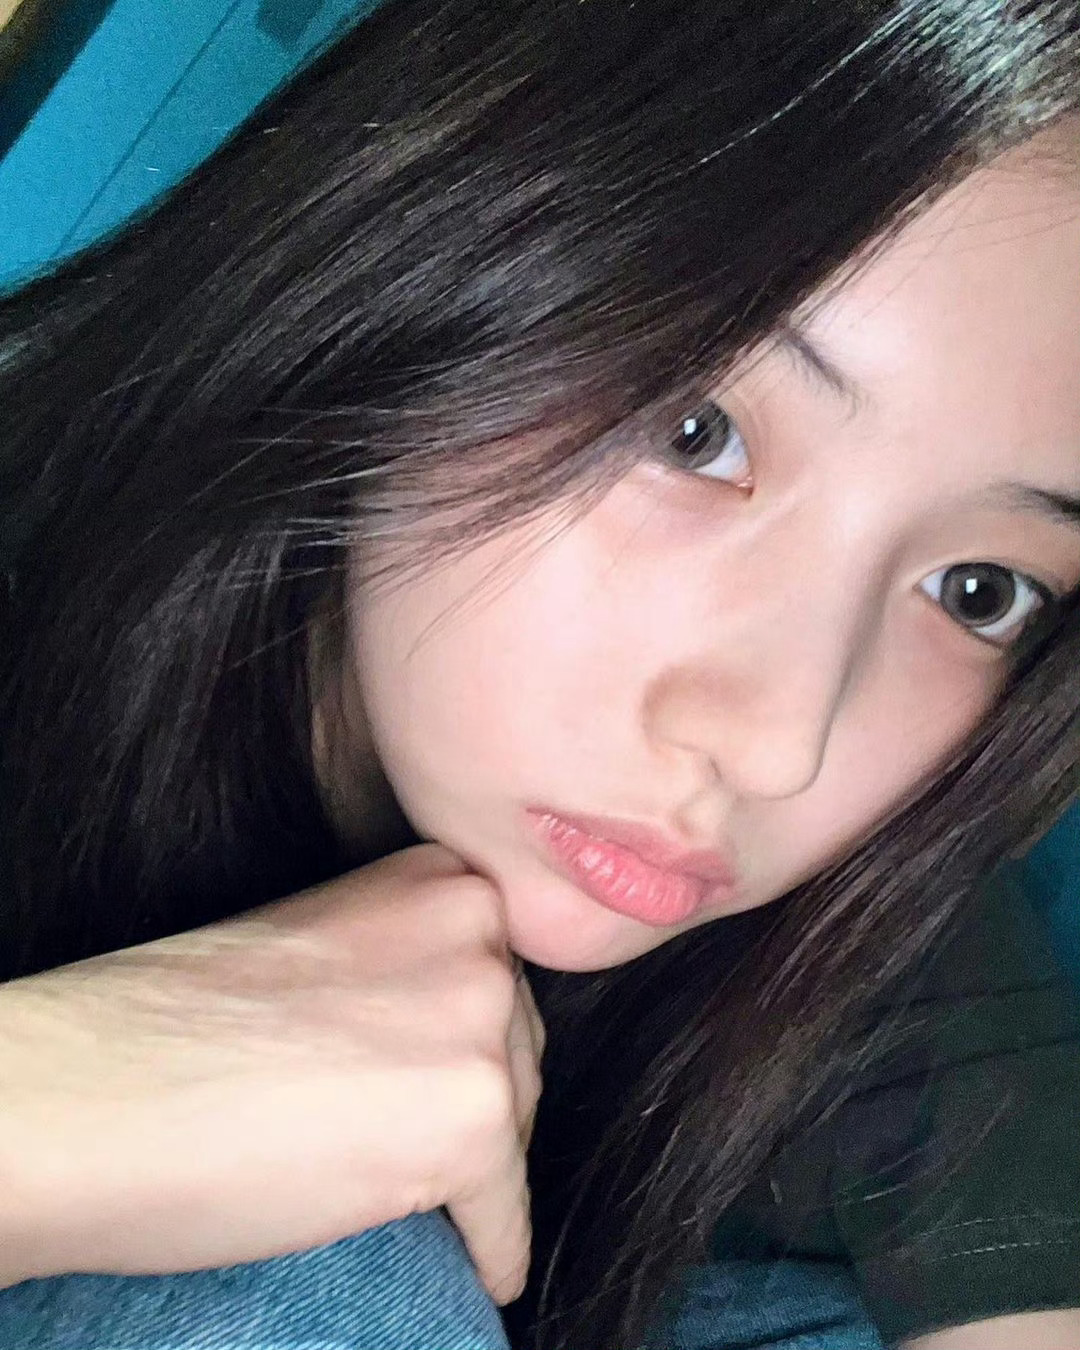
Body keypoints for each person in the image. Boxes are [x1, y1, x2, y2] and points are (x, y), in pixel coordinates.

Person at [0, 2, 1079, 1348]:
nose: (781, 742)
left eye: (979, 591)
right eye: (697, 432)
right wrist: (50, 1109)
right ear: (436, 245)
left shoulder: (880, 921)